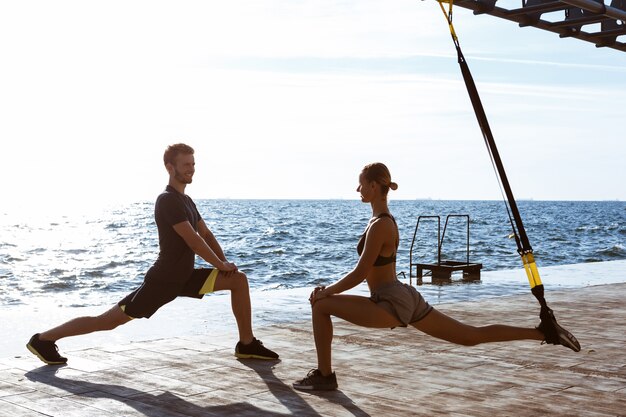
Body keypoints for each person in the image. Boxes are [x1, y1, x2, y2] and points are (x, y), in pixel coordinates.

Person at [293, 162, 579, 391]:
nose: (357, 188)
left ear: (372, 185)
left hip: (390, 302)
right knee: (470, 336)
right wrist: (329, 289)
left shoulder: (381, 225)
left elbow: (360, 273)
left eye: (360, 183)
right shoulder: (382, 221)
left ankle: (325, 376)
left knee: (321, 306)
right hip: (402, 296)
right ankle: (545, 333)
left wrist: (326, 290)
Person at [27, 143, 278, 365]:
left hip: (185, 276)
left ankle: (246, 344)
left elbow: (207, 235)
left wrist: (223, 264)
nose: (191, 169)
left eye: (193, 164)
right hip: (163, 280)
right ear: (170, 167)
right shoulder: (167, 200)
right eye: (185, 164)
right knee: (107, 321)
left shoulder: (187, 200)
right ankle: (43, 339)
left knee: (238, 279)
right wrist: (220, 264)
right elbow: (193, 241)